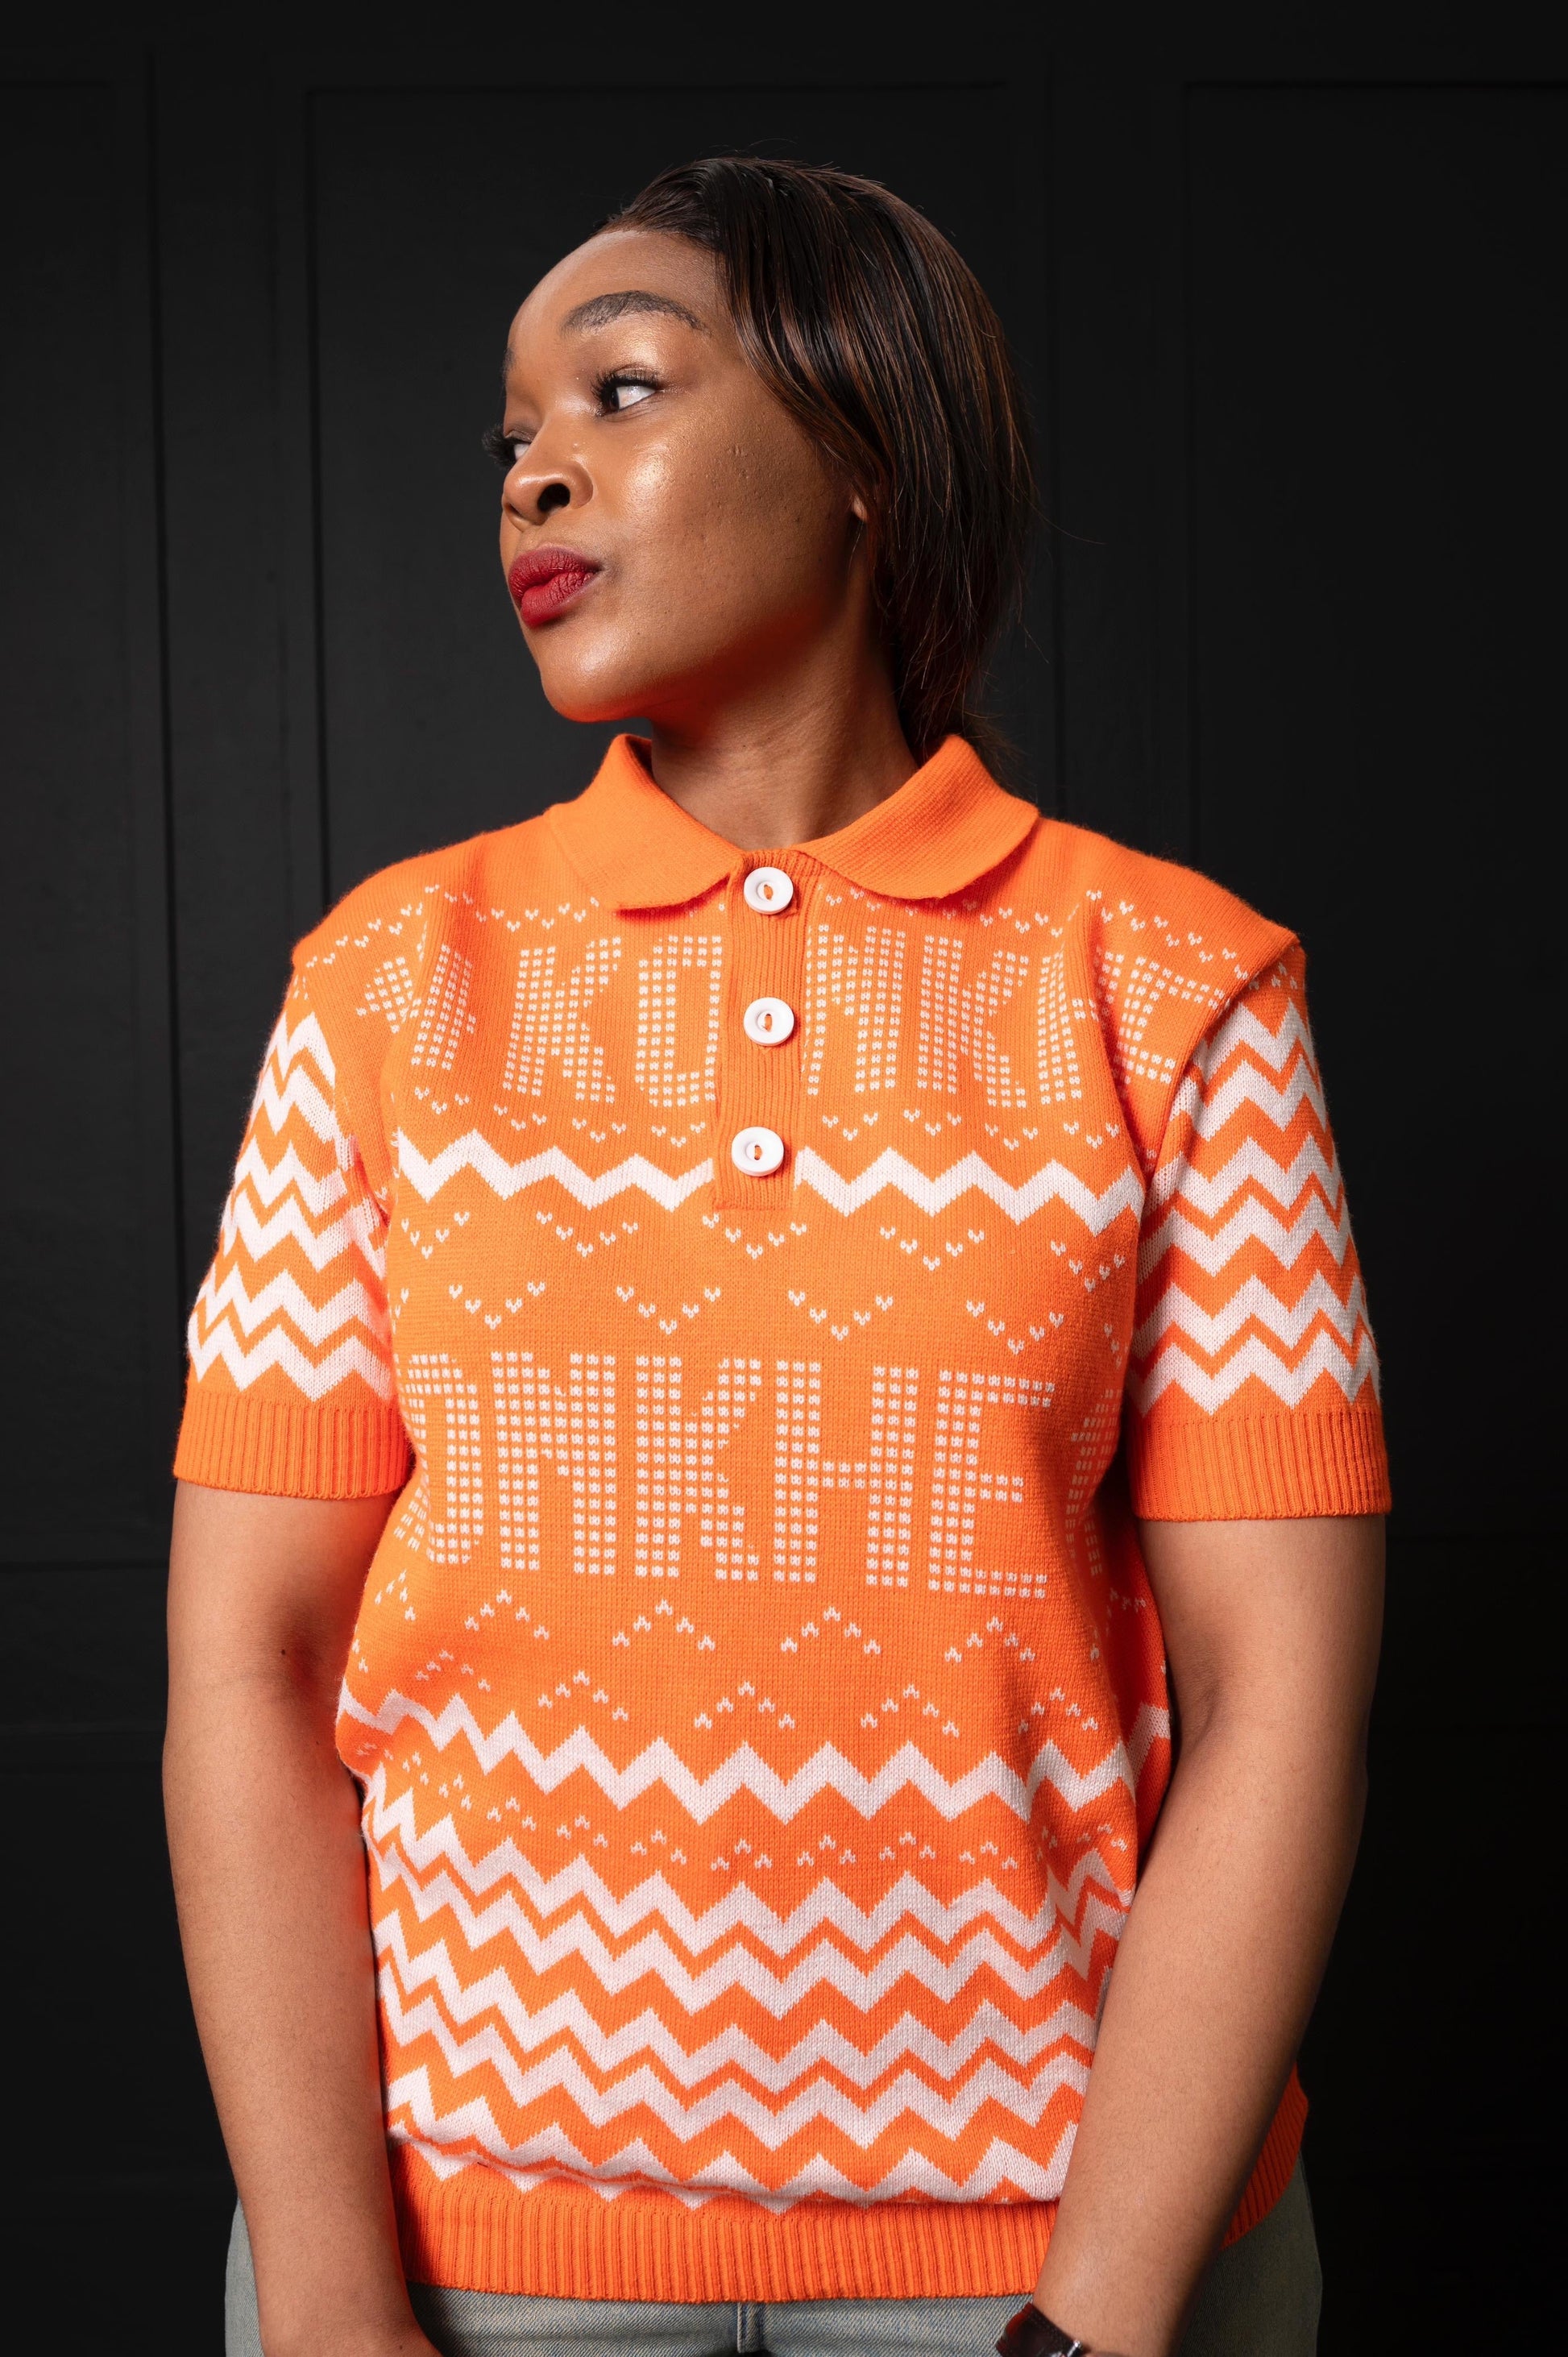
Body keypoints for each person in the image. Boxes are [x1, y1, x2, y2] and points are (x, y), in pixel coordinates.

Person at [164, 157, 1388, 2357]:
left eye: (620, 389)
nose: (533, 468)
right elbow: (249, 1672)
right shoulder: (385, 985)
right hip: (454, 2259)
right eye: (510, 431)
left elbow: (1280, 1700)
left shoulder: (1175, 985)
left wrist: (1096, 2324)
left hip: (1060, 2258)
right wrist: (335, 2302)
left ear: (862, 448)